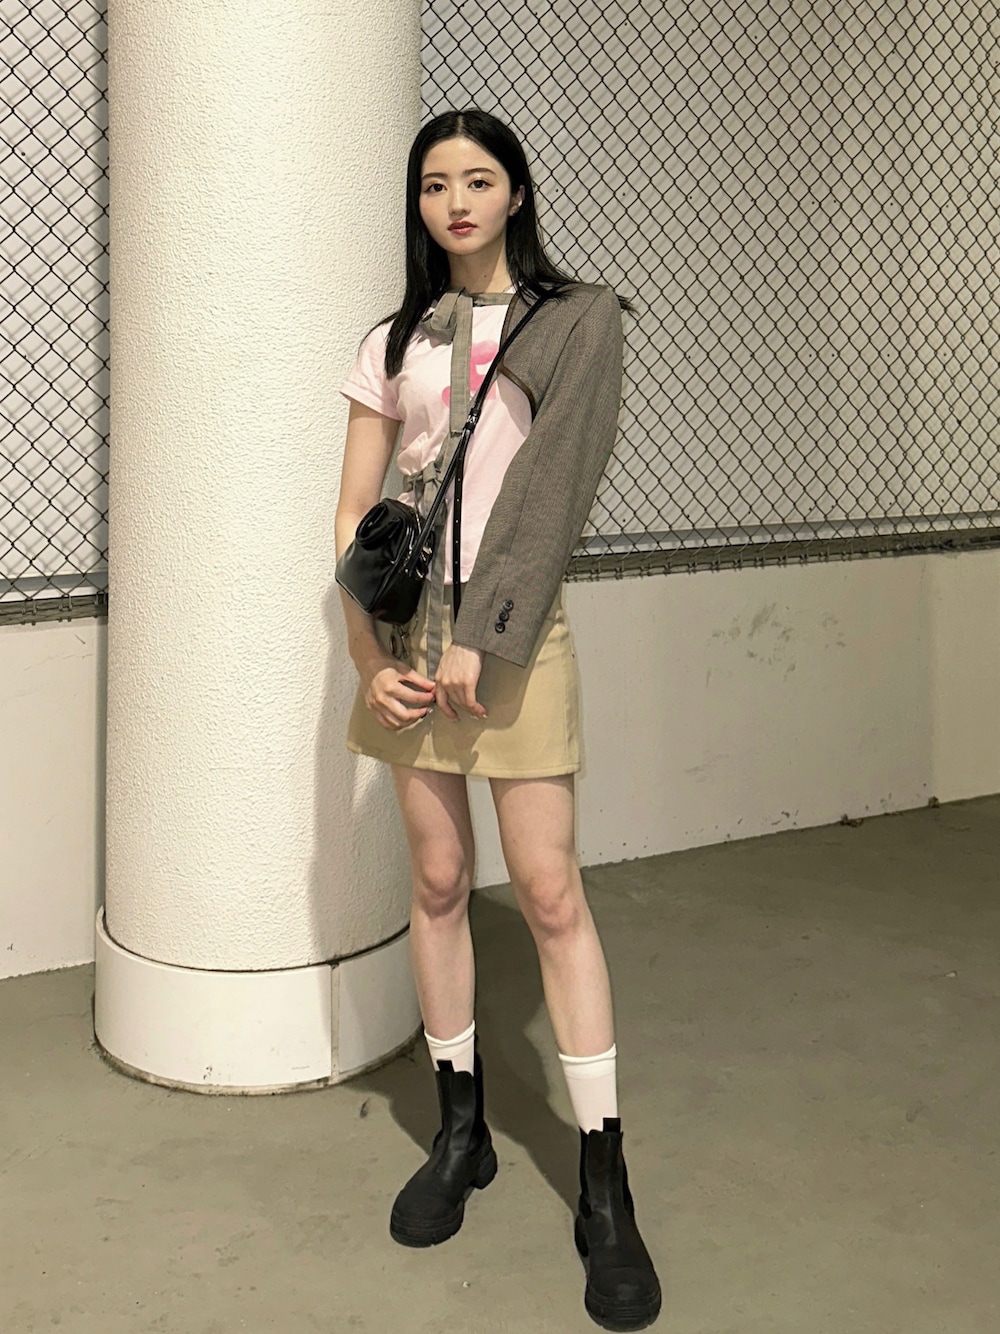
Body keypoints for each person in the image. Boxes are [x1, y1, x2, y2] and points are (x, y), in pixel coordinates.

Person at [335, 108, 661, 1332]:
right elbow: (354, 512)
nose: (456, 201)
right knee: (434, 880)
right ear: (417, 203)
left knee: (551, 892)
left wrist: (490, 632)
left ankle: (603, 1178)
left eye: (479, 179)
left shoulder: (576, 319)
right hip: (408, 646)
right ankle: (460, 1130)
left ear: (516, 192)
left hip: (513, 642)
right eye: (434, 184)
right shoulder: (393, 339)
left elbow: (557, 486)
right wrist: (367, 655)